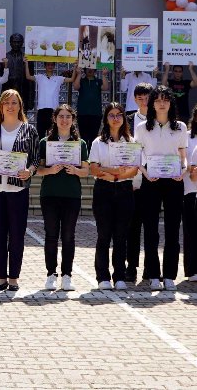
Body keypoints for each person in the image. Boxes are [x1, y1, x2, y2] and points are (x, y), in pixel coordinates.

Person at [0, 89, 40, 292]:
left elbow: (35, 160)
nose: (10, 106)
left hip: (17, 188)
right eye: (7, 103)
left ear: (20, 105)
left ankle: (13, 277)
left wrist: (29, 171)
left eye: (14, 103)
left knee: (16, 234)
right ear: (1, 106)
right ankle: (0, 278)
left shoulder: (28, 130)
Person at [135, 85, 188, 291]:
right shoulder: (142, 128)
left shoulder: (180, 127)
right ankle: (153, 274)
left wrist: (182, 171)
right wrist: (146, 173)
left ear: (171, 103)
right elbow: (137, 155)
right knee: (150, 229)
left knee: (173, 229)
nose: (162, 103)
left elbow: (183, 156)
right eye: (158, 100)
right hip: (152, 179)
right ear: (152, 104)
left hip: (174, 181)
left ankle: (169, 276)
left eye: (166, 99)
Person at [37, 105, 89, 291]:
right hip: (50, 194)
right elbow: (38, 169)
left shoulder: (80, 144)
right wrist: (49, 171)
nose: (64, 120)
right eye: (61, 116)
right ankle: (51, 274)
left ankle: (67, 275)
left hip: (71, 195)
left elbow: (86, 171)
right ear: (55, 118)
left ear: (73, 120)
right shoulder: (45, 142)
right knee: (51, 236)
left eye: (68, 116)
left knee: (68, 236)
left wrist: (76, 170)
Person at [89, 103, 139, 290]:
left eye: (119, 115)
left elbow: (133, 170)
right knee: (104, 235)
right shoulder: (97, 142)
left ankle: (119, 275)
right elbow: (94, 168)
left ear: (124, 118)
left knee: (121, 235)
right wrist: (112, 171)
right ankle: (102, 276)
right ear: (106, 118)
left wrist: (115, 174)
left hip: (125, 190)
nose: (115, 118)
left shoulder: (131, 141)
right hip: (103, 190)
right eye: (111, 115)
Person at [124, 82, 154, 282]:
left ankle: (150, 268)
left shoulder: (160, 120)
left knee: (151, 227)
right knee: (131, 228)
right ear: (135, 99)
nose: (143, 101)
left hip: (153, 179)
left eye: (147, 97)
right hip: (130, 179)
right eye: (140, 97)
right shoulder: (127, 120)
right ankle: (131, 267)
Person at [24, 58, 75, 139]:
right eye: (48, 64)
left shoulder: (58, 78)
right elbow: (28, 76)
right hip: (41, 110)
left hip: (54, 110)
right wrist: (26, 63)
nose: (50, 66)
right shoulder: (40, 77)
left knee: (52, 135)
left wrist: (75, 67)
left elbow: (72, 79)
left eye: (52, 65)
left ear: (54, 66)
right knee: (40, 135)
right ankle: (41, 151)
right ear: (45, 66)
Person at [73, 66, 109, 149]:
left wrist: (104, 75)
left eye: (92, 68)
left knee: (93, 137)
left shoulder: (98, 81)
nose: (90, 70)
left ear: (95, 70)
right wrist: (78, 74)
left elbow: (105, 87)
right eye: (88, 68)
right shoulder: (82, 81)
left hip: (96, 113)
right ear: (84, 70)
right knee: (84, 137)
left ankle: (92, 158)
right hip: (82, 113)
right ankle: (85, 157)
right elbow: (76, 87)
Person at [183, 105, 197, 283]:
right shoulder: (187, 137)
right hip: (190, 189)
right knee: (191, 231)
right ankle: (192, 269)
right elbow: (184, 163)